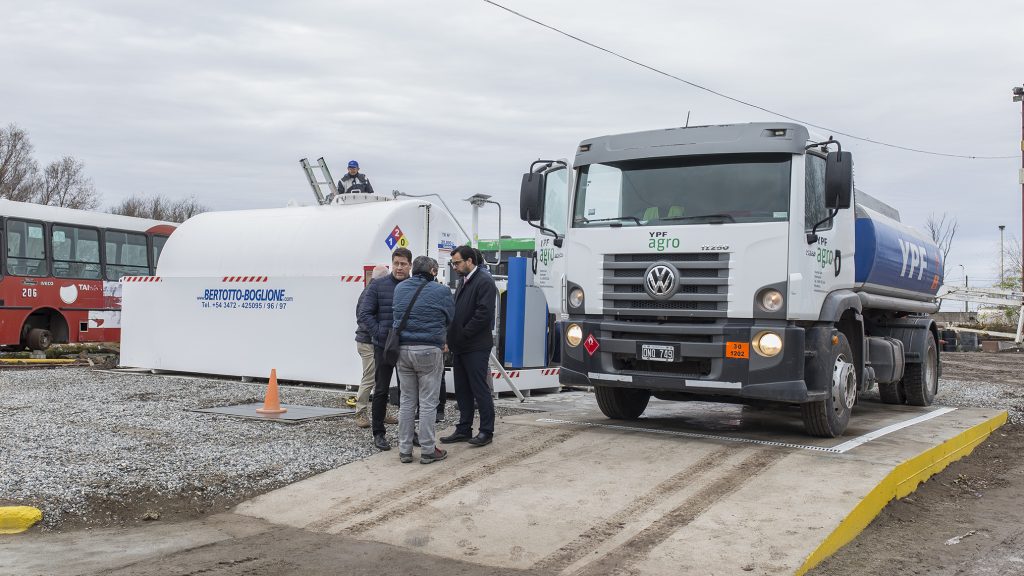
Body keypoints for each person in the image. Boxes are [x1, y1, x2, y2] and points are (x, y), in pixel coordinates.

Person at [392, 256, 454, 464]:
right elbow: (449, 318)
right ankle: (428, 450)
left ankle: (405, 450)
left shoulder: (400, 289)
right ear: (433, 271)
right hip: (428, 350)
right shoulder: (441, 291)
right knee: (428, 403)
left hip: (402, 350)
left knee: (407, 401)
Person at [441, 245, 497, 447]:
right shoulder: (464, 281)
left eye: (457, 262)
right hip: (461, 346)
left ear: (470, 261)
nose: (454, 266)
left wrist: (462, 334)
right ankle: (464, 428)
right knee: (463, 389)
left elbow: (483, 314)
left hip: (475, 346)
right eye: (453, 263)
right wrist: (451, 337)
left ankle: (486, 431)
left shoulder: (484, 281)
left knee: (479, 388)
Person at [357, 247, 412, 450]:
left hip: (408, 346)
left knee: (408, 391)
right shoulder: (378, 286)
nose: (399, 267)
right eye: (396, 263)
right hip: (384, 346)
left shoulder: (415, 286)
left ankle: (409, 432)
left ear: (410, 265)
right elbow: (364, 313)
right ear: (392, 264)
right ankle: (379, 433)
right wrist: (380, 333)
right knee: (381, 390)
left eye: (403, 264)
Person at [352, 264, 390, 428]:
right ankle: (360, 412)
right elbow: (364, 317)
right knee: (370, 377)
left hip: (369, 340)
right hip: (368, 341)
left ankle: (380, 411)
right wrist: (378, 333)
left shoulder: (369, 290)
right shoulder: (372, 291)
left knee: (379, 378)